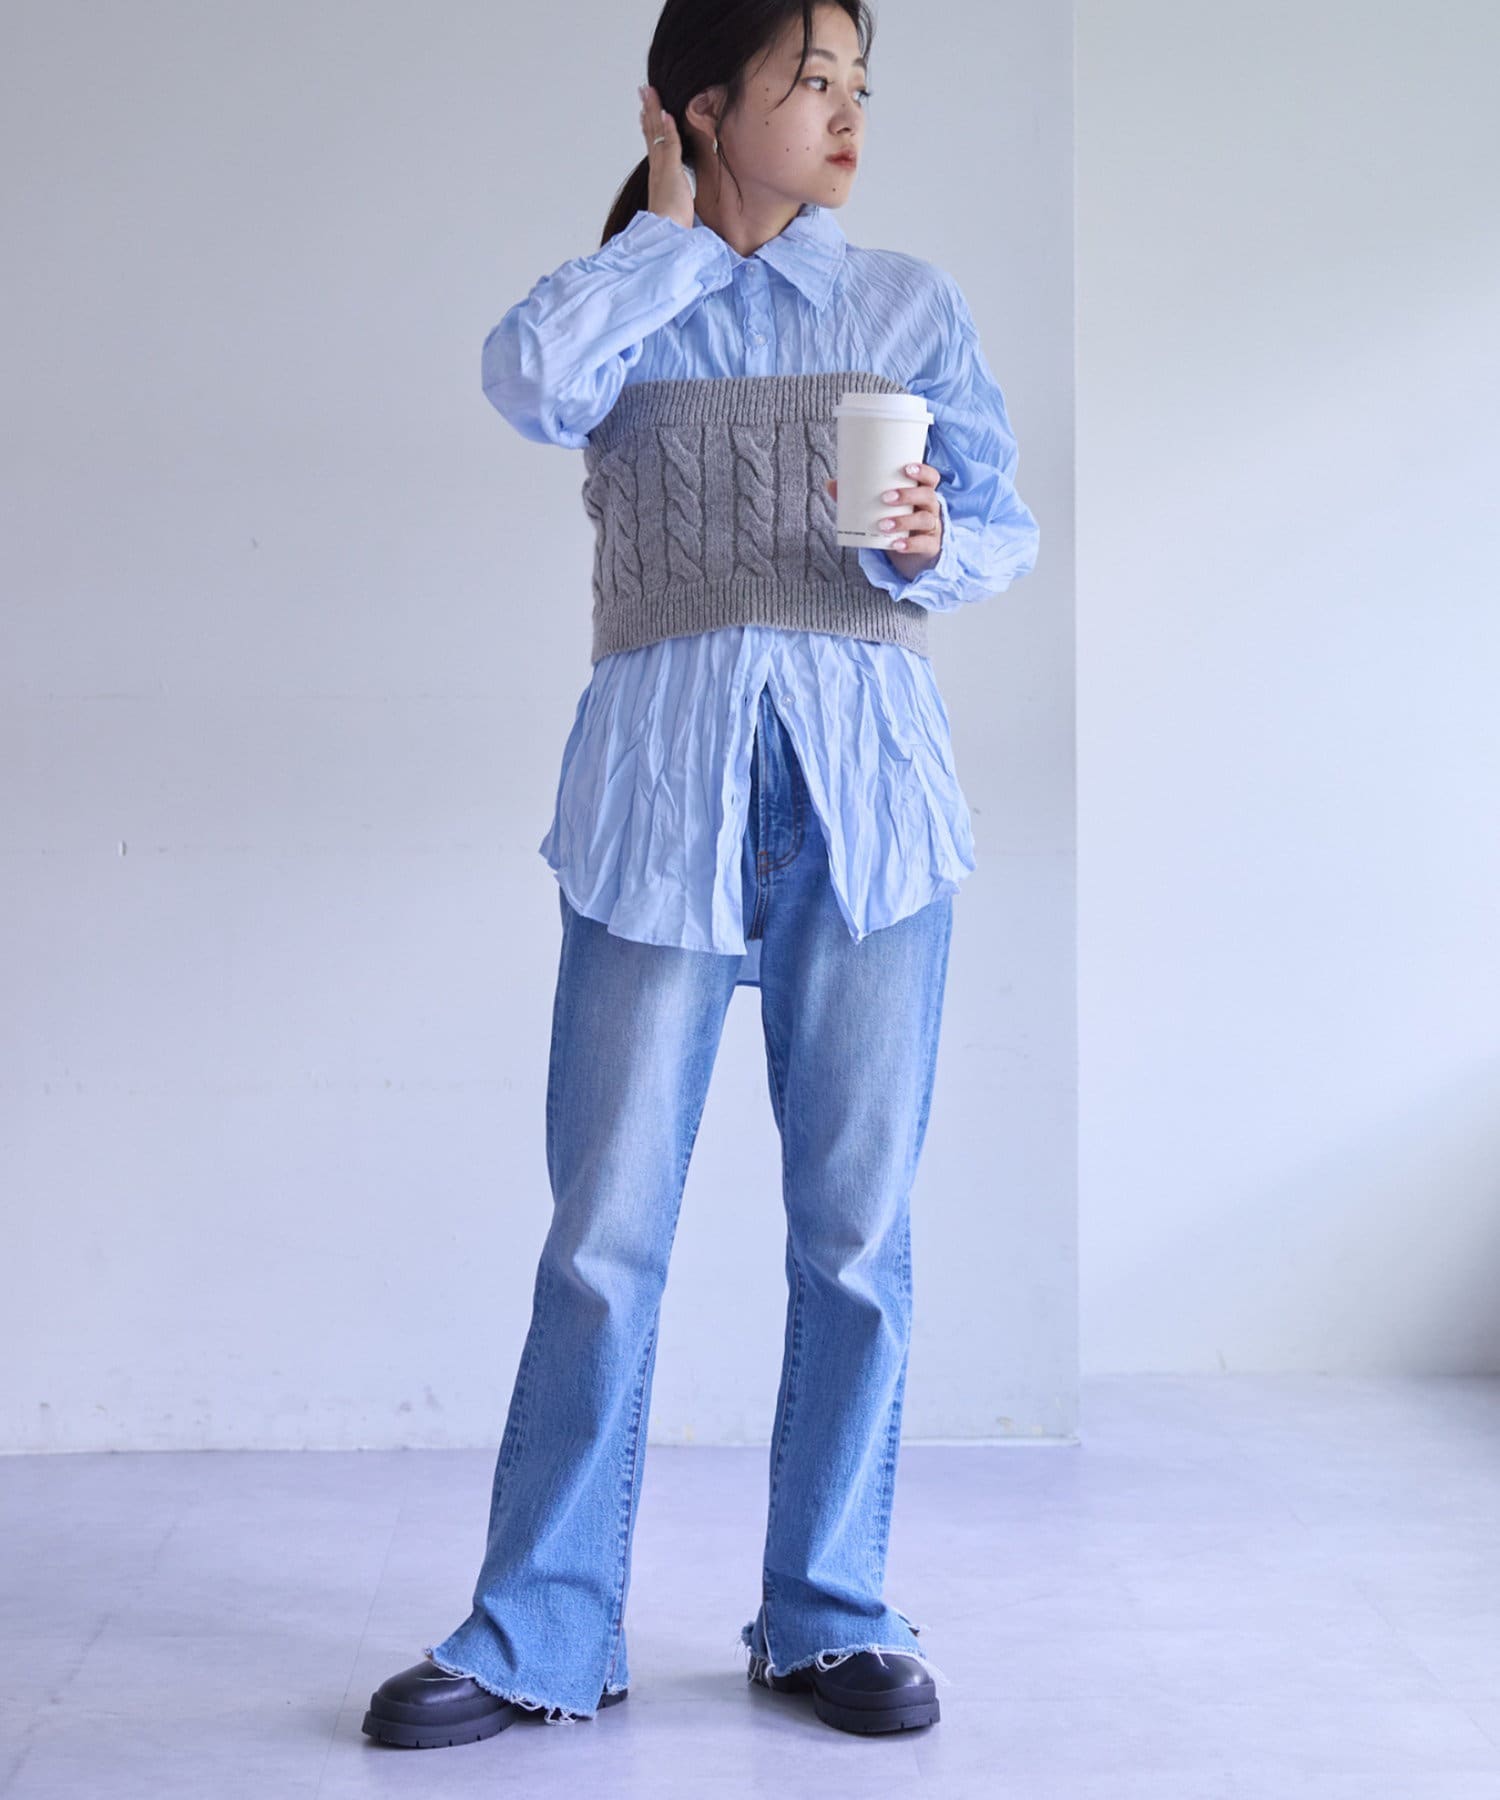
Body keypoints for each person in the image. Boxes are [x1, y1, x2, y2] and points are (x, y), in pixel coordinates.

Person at [361, 0, 1039, 1752]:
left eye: (863, 83)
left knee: (856, 1238)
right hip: (657, 809)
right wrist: (664, 232)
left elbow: (1005, 527)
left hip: (870, 813)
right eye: (814, 80)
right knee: (603, 1235)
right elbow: (528, 382)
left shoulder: (907, 305)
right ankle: (538, 1628)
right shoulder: (626, 304)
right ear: (701, 105)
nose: (851, 113)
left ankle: (832, 1613)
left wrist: (936, 540)